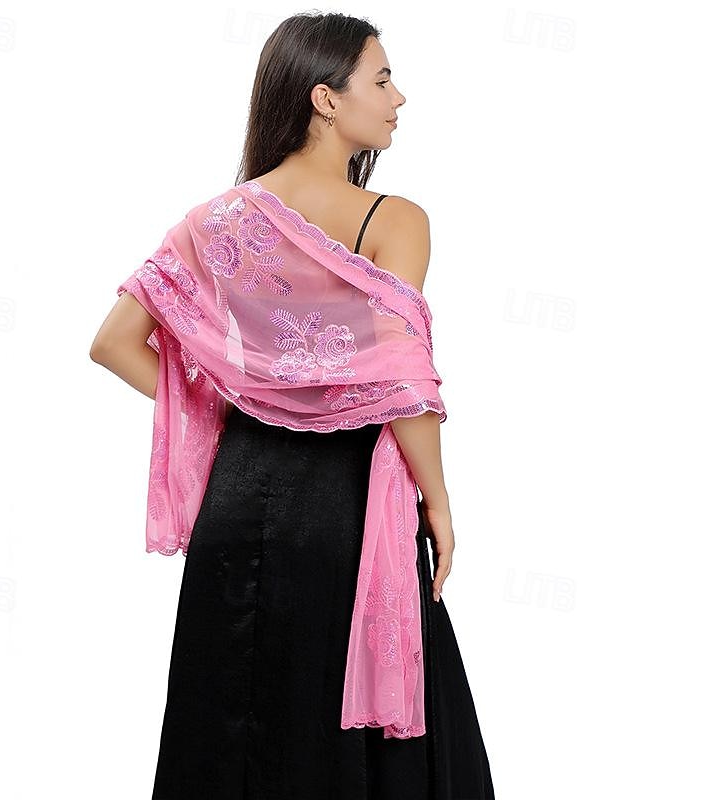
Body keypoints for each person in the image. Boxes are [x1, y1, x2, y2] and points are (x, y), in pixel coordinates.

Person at [90, 12, 494, 799]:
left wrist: (241, 409)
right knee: (345, 723)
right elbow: (402, 380)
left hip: (238, 495)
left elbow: (114, 342)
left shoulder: (216, 221)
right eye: (382, 79)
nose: (399, 98)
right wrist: (439, 499)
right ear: (325, 98)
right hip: (344, 502)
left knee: (235, 714)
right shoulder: (392, 220)